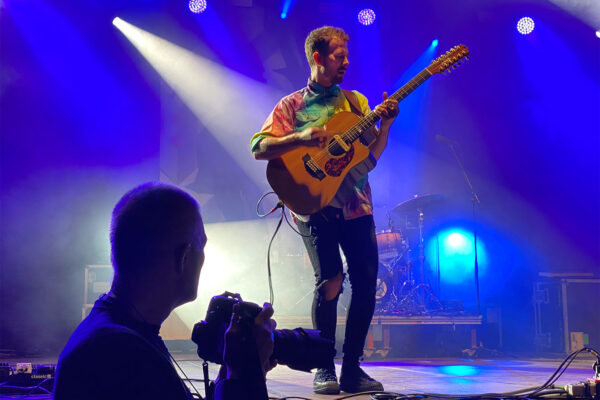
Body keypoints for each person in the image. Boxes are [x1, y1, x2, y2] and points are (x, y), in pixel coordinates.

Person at [251, 26, 398, 394]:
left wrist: (386, 125)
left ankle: (351, 368)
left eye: (347, 56)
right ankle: (323, 367)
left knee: (365, 286)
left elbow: (371, 157)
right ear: (317, 58)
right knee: (330, 283)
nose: (346, 62)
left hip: (356, 205)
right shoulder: (291, 106)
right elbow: (259, 147)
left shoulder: (357, 104)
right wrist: (298, 138)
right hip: (314, 208)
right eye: (338, 56)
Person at [53, 182, 276, 400]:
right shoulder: (121, 353)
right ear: (184, 258)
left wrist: (231, 369)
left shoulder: (122, 333)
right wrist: (245, 375)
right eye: (202, 247)